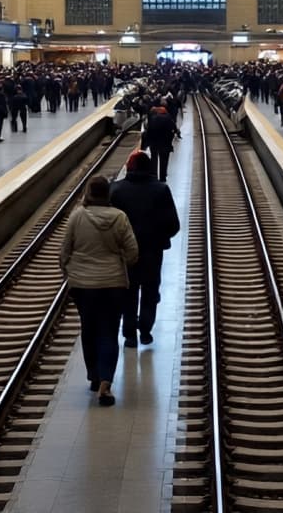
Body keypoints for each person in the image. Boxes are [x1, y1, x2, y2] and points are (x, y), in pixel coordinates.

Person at [59, 176, 138, 406]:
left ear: (89, 193)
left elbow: (65, 251)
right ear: (108, 195)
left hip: (83, 286)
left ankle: (93, 375)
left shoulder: (77, 216)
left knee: (89, 329)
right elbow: (133, 253)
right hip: (113, 284)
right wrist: (120, 261)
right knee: (109, 331)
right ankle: (106, 382)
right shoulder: (120, 217)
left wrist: (67, 269)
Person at [110, 151, 180, 347]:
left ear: (129, 167)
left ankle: (129, 334)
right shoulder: (161, 190)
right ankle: (146, 329)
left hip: (124, 254)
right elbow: (174, 225)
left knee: (128, 291)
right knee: (150, 291)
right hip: (152, 252)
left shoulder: (116, 190)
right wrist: (159, 236)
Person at [142, 104, 176, 181]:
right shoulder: (168, 118)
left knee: (154, 159)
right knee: (164, 160)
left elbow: (149, 131)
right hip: (165, 144)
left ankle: (154, 175)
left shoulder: (153, 119)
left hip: (154, 143)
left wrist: (147, 143)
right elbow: (172, 130)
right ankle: (162, 177)